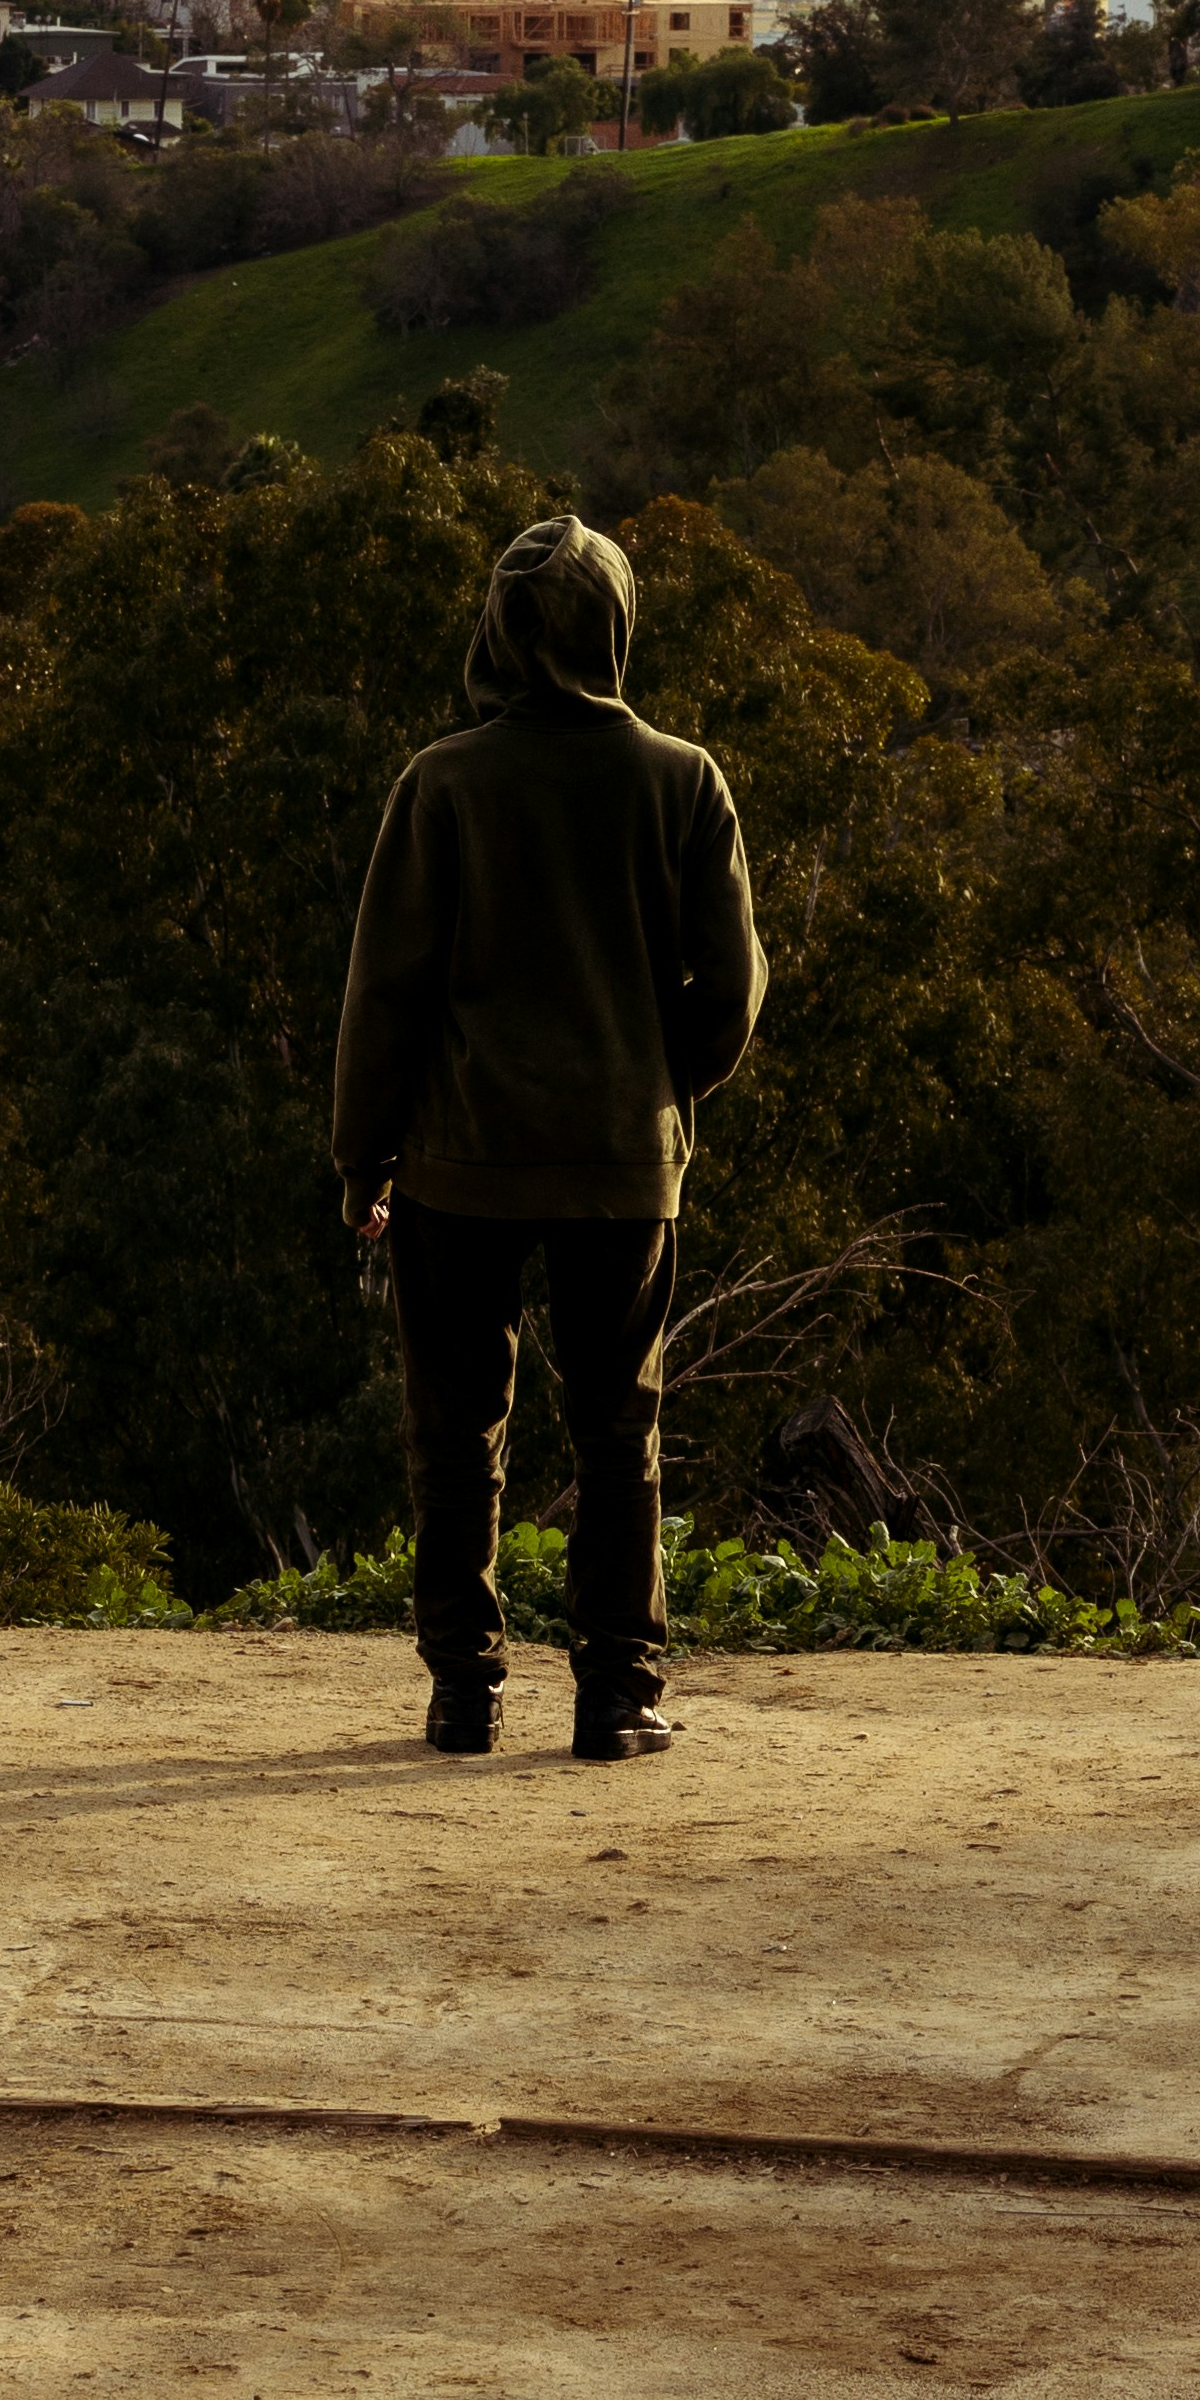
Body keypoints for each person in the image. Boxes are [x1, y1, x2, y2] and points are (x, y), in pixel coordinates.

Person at [331, 505, 765, 1762]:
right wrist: (654, 1089)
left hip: (458, 1164)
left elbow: (387, 992)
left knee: (456, 1428)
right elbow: (729, 989)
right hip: (624, 1163)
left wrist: (365, 1157)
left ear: (501, 632)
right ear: (614, 625)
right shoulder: (684, 780)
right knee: (619, 1427)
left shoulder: (444, 781)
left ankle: (464, 1690)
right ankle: (616, 1697)